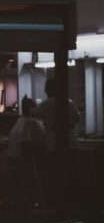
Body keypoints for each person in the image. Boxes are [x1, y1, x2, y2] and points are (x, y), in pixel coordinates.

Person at [34, 79, 81, 215]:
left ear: (48, 90)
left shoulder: (47, 103)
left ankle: (57, 201)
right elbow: (77, 119)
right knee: (71, 171)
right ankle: (72, 201)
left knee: (55, 173)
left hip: (54, 142)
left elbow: (34, 114)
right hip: (71, 140)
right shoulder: (69, 102)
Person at [7, 96, 46, 209]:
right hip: (28, 158)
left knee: (24, 181)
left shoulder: (21, 121)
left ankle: (26, 201)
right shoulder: (31, 122)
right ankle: (33, 201)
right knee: (31, 181)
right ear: (31, 109)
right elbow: (32, 140)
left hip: (18, 157)